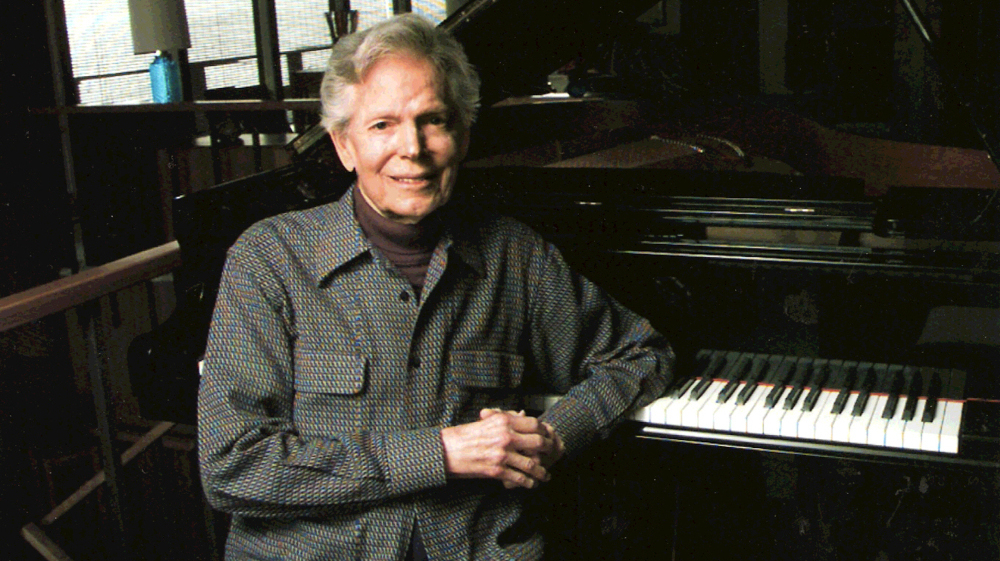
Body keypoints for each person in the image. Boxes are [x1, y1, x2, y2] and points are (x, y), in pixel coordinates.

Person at [197, 13, 674, 560]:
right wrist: (440, 454)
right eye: (382, 125)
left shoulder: (516, 256)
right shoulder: (270, 259)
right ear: (344, 146)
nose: (413, 148)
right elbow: (231, 467)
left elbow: (640, 354)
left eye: (434, 121)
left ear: (463, 136)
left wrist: (556, 435)